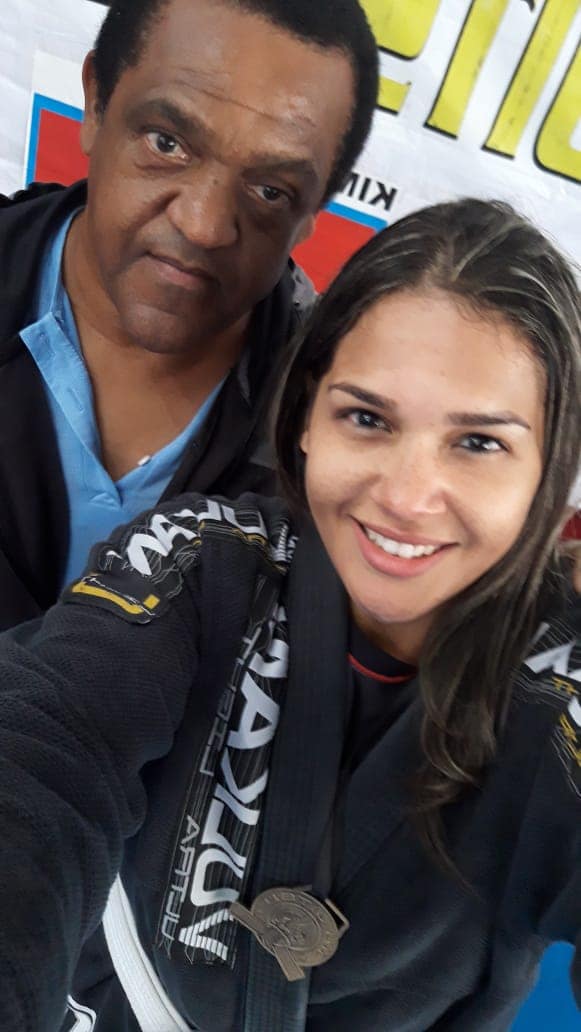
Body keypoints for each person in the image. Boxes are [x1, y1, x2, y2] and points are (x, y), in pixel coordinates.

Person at [0, 198, 579, 1032]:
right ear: (307, 417)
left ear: (549, 467)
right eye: (366, 419)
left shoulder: (559, 696)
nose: (407, 497)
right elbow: (41, 749)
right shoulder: (196, 562)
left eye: (479, 443)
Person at [0, 0, 378, 629]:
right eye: (167, 142)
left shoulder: (342, 431)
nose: (203, 225)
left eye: (270, 190)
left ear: (312, 213)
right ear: (95, 103)